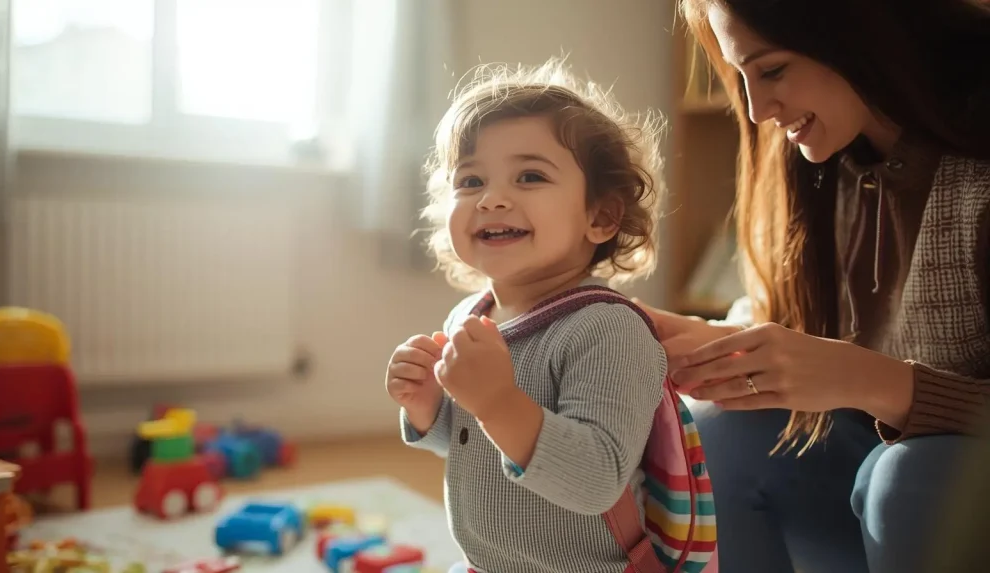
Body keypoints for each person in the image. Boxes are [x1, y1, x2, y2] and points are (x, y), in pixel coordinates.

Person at [632, 1, 990, 572]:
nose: (755, 109)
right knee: (716, 426)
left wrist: (874, 381)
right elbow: (807, 332)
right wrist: (723, 342)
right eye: (740, 77)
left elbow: (863, 382)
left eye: (771, 70)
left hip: (934, 495)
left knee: (904, 477)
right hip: (878, 488)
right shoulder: (818, 165)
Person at [384, 60, 715, 572]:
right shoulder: (469, 317)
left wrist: (496, 401)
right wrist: (429, 409)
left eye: (530, 176)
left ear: (599, 216)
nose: (492, 198)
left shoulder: (606, 330)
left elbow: (596, 479)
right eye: (470, 180)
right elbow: (474, 448)